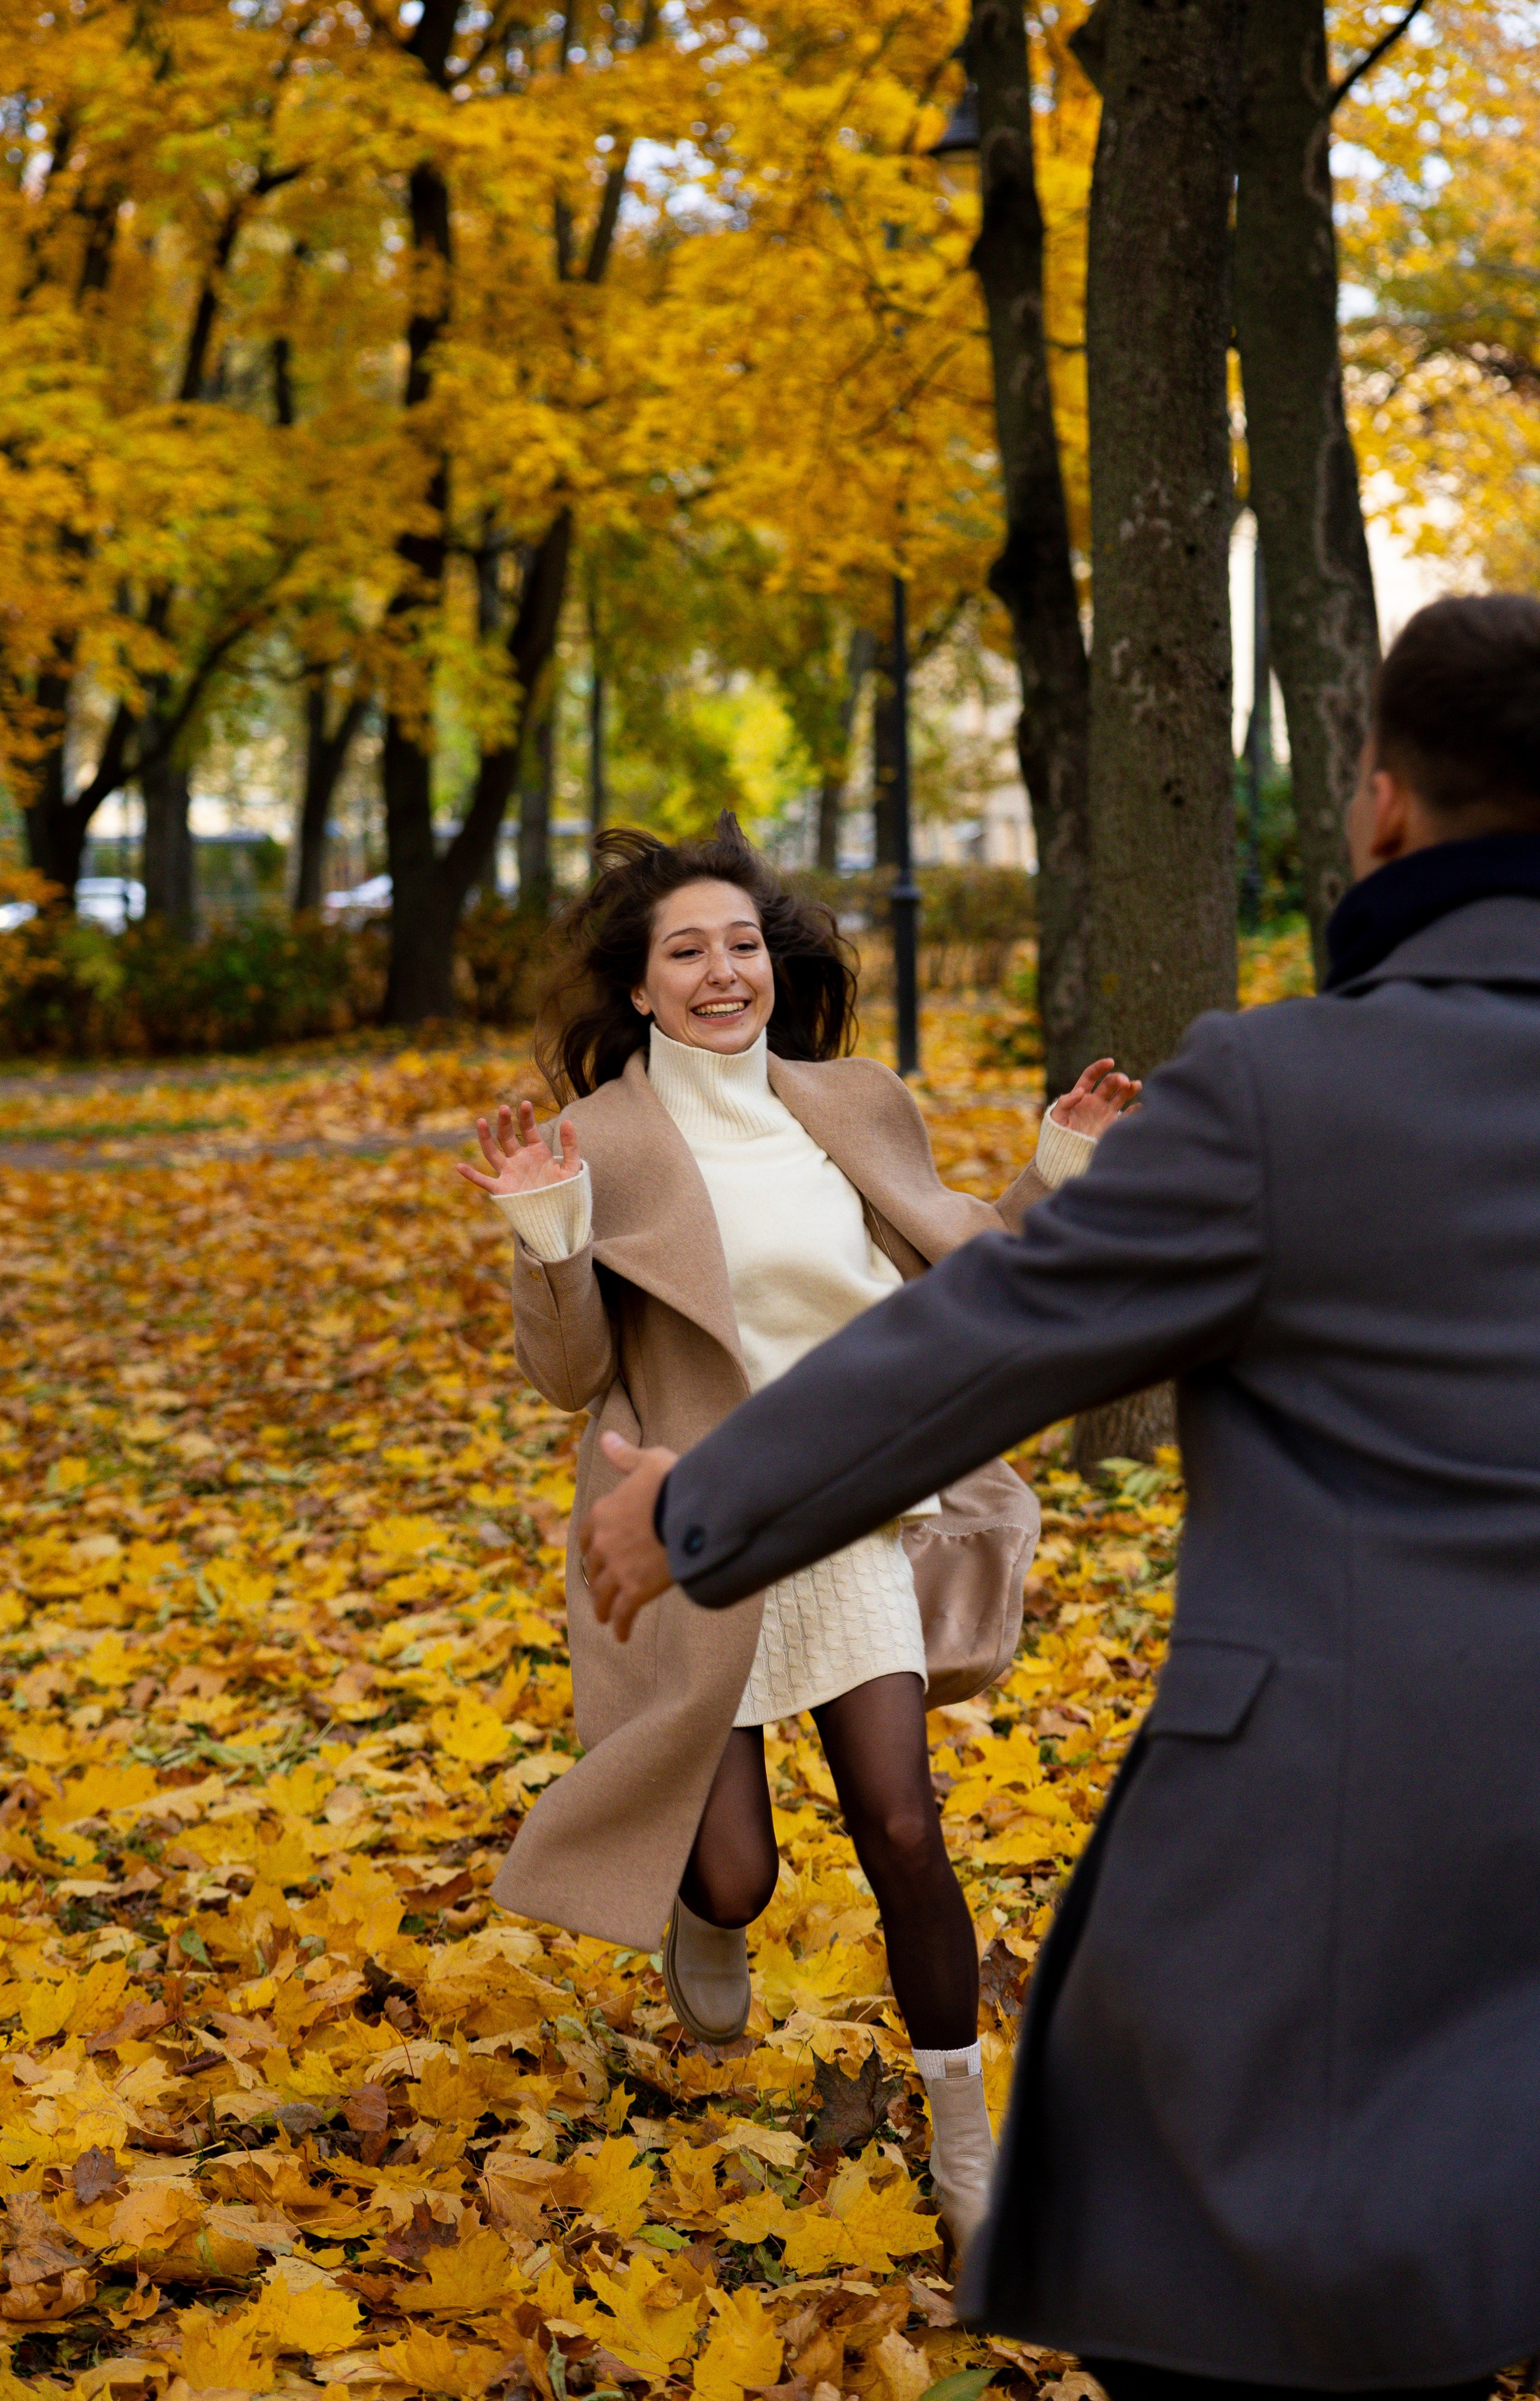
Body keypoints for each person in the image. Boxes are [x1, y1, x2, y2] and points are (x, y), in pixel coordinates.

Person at [578, 594, 1540, 2397]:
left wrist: (695, 1505)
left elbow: (994, 1338)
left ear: (1384, 803)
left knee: (1244, 2308)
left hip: (1342, 1842)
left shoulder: (1287, 1089)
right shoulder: (627, 1130)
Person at [457, 815, 1137, 2247]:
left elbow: (961, 1274)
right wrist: (549, 1236)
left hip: (846, 1512)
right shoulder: (602, 1141)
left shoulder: (851, 1102)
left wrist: (1056, 1169)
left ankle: (967, 2152)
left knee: (900, 1823)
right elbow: (570, 1376)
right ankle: (705, 1912)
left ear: (774, 963)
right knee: (738, 1872)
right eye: (685, 953)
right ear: (637, 987)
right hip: (691, 1529)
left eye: (742, 945)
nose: (722, 973)